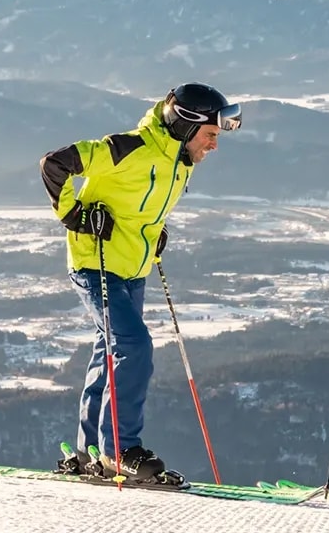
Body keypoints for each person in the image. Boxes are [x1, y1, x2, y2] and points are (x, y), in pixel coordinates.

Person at [40, 82, 241, 483]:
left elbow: (138, 204)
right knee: (133, 345)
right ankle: (119, 451)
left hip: (134, 268)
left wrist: (153, 231)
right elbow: (54, 164)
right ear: (186, 125)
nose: (214, 145)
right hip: (94, 264)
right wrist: (73, 214)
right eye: (211, 135)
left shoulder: (179, 163)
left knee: (109, 351)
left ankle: (89, 452)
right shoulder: (127, 148)